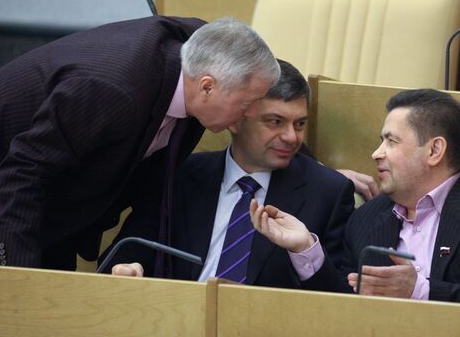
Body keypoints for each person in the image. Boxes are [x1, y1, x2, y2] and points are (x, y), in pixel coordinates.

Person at [0, 15, 280, 270]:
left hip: (58, 205)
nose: (252, 114)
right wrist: (20, 278)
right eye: (248, 103)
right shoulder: (116, 91)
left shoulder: (204, 54)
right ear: (207, 86)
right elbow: (23, 173)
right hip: (6, 191)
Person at [251, 88, 460, 308]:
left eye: (391, 141)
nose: (377, 153)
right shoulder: (366, 219)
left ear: (434, 150)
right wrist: (306, 248)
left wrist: (421, 291)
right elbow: (343, 306)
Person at [108, 60, 357, 288]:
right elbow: (128, 250)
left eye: (299, 124)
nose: (292, 137)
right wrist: (128, 267)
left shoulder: (328, 192)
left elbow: (337, 303)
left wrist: (305, 250)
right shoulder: (180, 175)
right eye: (275, 121)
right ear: (235, 120)